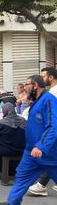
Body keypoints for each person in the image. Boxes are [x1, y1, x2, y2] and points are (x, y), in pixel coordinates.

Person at [0, 75, 57, 205]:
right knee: (21, 178)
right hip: (31, 152)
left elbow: (53, 125)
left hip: (50, 154)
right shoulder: (36, 100)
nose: (25, 87)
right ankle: (12, 202)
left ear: (35, 86)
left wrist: (41, 146)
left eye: (27, 84)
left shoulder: (49, 100)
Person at [27, 67, 57, 196]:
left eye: (43, 76)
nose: (41, 79)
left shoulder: (53, 92)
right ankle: (41, 184)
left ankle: (41, 184)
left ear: (50, 78)